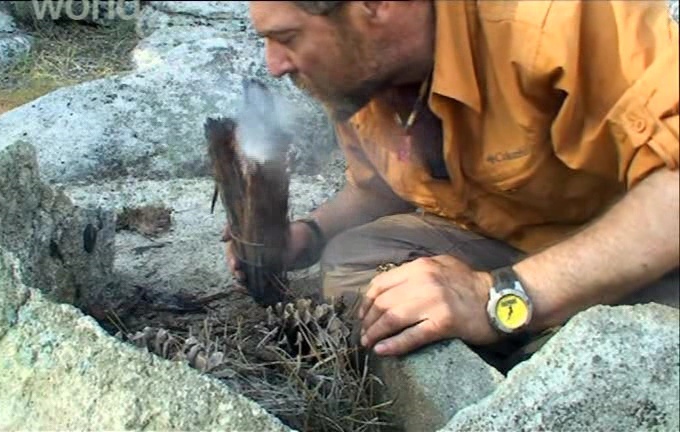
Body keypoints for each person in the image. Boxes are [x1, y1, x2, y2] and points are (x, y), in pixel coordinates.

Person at [226, 0, 679, 364]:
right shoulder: (360, 71)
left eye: (286, 38)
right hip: (501, 236)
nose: (274, 65)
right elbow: (378, 189)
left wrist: (497, 295)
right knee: (350, 260)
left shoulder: (555, 17)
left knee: (633, 352)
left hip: (636, 251)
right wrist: (307, 236)